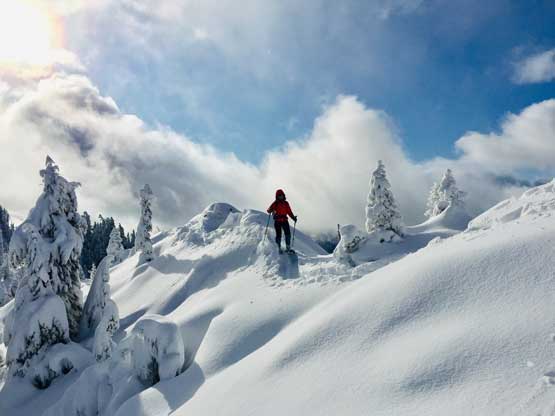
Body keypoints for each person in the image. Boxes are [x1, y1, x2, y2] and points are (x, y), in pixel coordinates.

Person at [267, 189, 297, 253]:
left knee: (288, 234)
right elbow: (268, 210)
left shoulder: (286, 203)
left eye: (281, 195)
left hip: (284, 220)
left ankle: (288, 248)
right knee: (279, 235)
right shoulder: (275, 203)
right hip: (277, 221)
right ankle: (278, 248)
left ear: (283, 195)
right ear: (277, 196)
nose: (280, 196)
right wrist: (270, 210)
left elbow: (289, 212)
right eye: (279, 195)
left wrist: (293, 218)